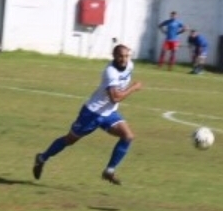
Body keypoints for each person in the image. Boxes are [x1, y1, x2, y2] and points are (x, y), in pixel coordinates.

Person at [33, 43, 142, 186]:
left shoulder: (130, 65)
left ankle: (109, 170)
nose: (124, 59)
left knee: (128, 136)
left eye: (127, 56)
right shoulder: (110, 72)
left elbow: (119, 89)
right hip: (92, 113)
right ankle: (41, 158)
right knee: (69, 140)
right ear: (114, 56)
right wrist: (133, 88)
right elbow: (115, 98)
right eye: (120, 56)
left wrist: (127, 88)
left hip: (109, 113)